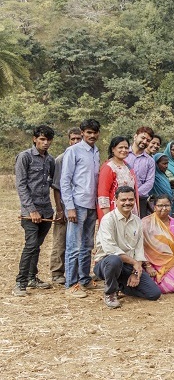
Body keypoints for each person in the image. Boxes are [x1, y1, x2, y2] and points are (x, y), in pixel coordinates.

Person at [92, 186, 161, 308]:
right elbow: (110, 249)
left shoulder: (137, 221)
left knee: (154, 294)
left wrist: (135, 272)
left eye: (130, 199)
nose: (127, 203)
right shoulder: (108, 220)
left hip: (128, 265)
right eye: (123, 200)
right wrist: (134, 263)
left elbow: (139, 249)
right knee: (114, 260)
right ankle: (110, 293)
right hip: (106, 264)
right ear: (116, 201)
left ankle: (120, 286)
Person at [12, 125, 56, 297]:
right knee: (30, 246)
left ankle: (32, 277)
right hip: (30, 212)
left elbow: (52, 183)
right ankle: (20, 282)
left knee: (37, 246)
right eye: (42, 139)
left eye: (48, 140)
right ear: (35, 139)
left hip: (46, 210)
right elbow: (21, 186)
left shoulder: (50, 160)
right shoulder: (25, 157)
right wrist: (31, 210)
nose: (45, 143)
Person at [61, 118, 101, 298]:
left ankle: (84, 279)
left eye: (94, 133)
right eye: (88, 133)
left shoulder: (96, 152)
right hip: (77, 204)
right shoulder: (73, 151)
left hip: (92, 204)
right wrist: (69, 207)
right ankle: (71, 284)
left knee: (87, 245)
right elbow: (65, 180)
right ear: (83, 133)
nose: (92, 136)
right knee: (73, 246)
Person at [49, 127, 81, 285]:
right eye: (73, 139)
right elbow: (56, 187)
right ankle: (57, 272)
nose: (75, 142)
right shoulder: (61, 159)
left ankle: (75, 271)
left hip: (80, 206)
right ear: (69, 140)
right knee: (60, 239)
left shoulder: (85, 158)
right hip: (64, 206)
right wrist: (60, 209)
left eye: (78, 139)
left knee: (77, 241)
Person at [142, 194, 174, 294]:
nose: (163, 208)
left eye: (167, 205)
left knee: (172, 287)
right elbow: (139, 246)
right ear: (154, 207)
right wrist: (147, 265)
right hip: (148, 262)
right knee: (147, 284)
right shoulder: (145, 223)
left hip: (169, 262)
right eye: (160, 205)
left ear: (170, 206)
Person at [98, 136, 138, 221]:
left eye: (126, 148)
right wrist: (108, 217)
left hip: (129, 208)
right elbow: (103, 194)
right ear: (113, 149)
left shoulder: (127, 166)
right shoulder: (109, 167)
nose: (124, 150)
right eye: (120, 147)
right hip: (114, 210)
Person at [125, 126, 154, 218]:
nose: (145, 141)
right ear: (135, 136)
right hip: (121, 198)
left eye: (148, 140)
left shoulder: (149, 161)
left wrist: (135, 194)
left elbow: (150, 182)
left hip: (140, 199)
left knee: (138, 227)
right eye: (143, 138)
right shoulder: (123, 154)